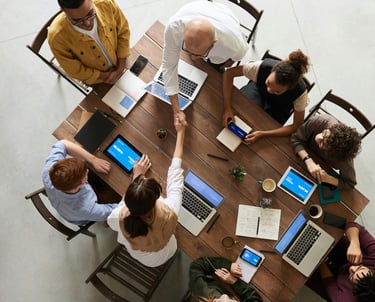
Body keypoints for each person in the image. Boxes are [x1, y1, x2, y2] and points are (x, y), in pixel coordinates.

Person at [107, 112, 187, 267]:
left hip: (144, 258)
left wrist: (136, 177)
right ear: (155, 200)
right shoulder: (170, 211)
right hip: (165, 252)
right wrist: (181, 132)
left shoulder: (117, 217)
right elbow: (175, 176)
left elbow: (120, 212)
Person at [163, 1, 248, 123]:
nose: (192, 58)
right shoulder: (173, 28)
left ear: (214, 44)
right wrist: (176, 109)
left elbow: (238, 55)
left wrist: (228, 62)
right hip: (199, 7)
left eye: (198, 54)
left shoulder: (232, 45)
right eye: (188, 51)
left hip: (225, 17)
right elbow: (169, 65)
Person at [222, 49, 310, 144]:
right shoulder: (261, 67)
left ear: (289, 89)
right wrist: (227, 108)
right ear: (272, 70)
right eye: (268, 83)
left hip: (281, 106)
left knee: (264, 128)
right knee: (240, 111)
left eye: (277, 91)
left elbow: (297, 125)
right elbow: (229, 74)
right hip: (258, 91)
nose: (269, 90)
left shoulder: (300, 93)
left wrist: (263, 134)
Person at [48, 0, 131, 85]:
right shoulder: (56, 38)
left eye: (90, 14)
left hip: (123, 61)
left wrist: (120, 68)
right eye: (77, 20)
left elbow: (123, 31)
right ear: (63, 10)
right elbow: (74, 70)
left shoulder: (106, 3)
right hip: (98, 81)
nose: (87, 23)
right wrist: (105, 76)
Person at [42, 139, 120, 226]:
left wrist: (93, 160)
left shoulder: (50, 171)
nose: (87, 170)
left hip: (65, 204)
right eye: (85, 174)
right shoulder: (87, 209)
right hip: (84, 213)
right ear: (77, 187)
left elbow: (63, 143)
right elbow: (117, 212)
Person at [291, 114, 361, 189]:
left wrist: (328, 179)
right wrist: (307, 160)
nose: (318, 138)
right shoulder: (320, 120)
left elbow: (350, 183)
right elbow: (296, 138)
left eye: (323, 143)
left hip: (319, 173)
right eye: (324, 133)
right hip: (298, 156)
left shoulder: (344, 159)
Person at [319, 222, 375, 302]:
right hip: (345, 254)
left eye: (352, 275)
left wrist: (319, 257)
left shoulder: (345, 299)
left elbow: (328, 281)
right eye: (360, 267)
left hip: (334, 278)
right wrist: (354, 243)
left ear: (354, 290)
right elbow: (352, 225)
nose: (352, 267)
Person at [189, 257, 263, 302]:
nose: (225, 296)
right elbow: (254, 299)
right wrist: (234, 282)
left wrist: (226, 265)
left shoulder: (203, 293)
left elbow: (196, 266)